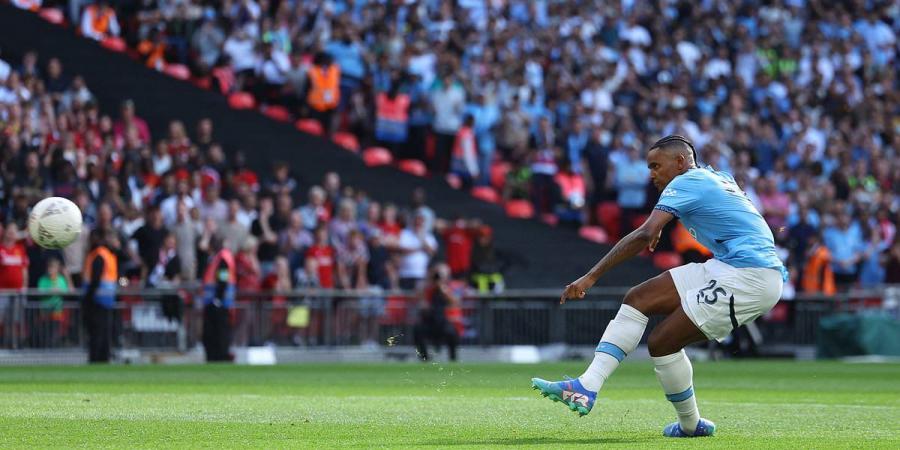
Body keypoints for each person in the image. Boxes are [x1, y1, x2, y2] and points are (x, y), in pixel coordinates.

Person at [532, 136, 786, 438]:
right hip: (732, 265)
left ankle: (690, 425)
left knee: (662, 342)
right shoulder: (715, 177)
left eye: (656, 165)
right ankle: (587, 385)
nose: (651, 173)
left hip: (750, 276)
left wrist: (591, 276)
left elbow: (645, 232)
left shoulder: (688, 181)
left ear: (680, 162)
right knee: (639, 298)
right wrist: (659, 226)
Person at [82, 230, 118, 363]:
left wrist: (87, 298)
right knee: (103, 332)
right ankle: (103, 359)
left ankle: (96, 359)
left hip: (96, 300)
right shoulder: (108, 255)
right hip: (106, 299)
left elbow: (95, 279)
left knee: (97, 333)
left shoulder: (98, 255)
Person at [412, 263, 460, 362]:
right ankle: (424, 358)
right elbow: (421, 302)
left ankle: (453, 358)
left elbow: (454, 302)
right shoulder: (426, 288)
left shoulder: (446, 288)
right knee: (417, 331)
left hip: (442, 321)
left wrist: (443, 289)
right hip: (428, 320)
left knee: (452, 332)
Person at [201, 236, 236, 362]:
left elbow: (223, 278)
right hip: (216, 301)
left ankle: (219, 356)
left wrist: (218, 298)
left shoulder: (222, 259)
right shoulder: (218, 258)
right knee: (216, 332)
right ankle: (217, 356)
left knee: (218, 332)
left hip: (219, 302)